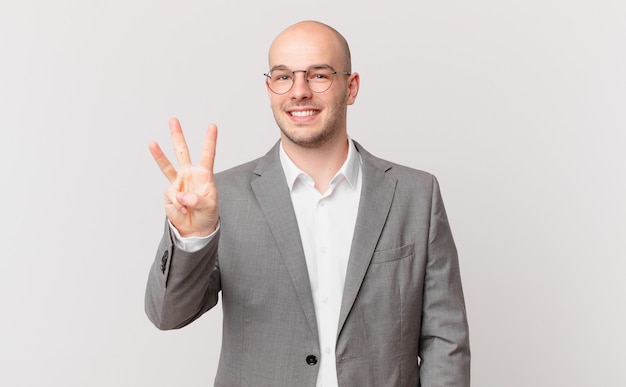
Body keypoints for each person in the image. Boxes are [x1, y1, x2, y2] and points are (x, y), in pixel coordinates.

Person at [145, 20, 470, 387]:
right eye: (283, 77)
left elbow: (446, 340)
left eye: (318, 75)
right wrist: (193, 237)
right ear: (269, 89)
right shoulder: (225, 198)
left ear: (351, 87)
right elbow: (167, 314)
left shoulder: (416, 195)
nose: (299, 92)